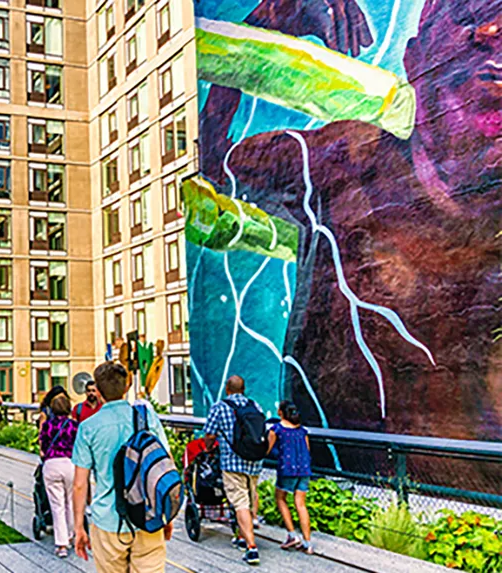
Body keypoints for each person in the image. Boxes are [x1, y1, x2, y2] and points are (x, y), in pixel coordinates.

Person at [200, 0, 502, 440]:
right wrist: (272, 17)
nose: (490, 31)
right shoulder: (341, 164)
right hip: (339, 478)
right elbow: (214, 174)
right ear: (413, 59)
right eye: (469, 13)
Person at [72, 362, 173, 571]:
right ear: (127, 386)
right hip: (148, 516)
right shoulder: (147, 418)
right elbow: (165, 465)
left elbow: (80, 485)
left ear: (98, 392)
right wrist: (166, 512)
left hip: (108, 521)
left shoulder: (88, 428)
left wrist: (79, 527)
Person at [203, 375, 264, 566]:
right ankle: (241, 535)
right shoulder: (255, 406)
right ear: (244, 389)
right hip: (254, 461)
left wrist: (209, 447)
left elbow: (209, 434)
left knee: (239, 502)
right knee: (251, 495)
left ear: (227, 390)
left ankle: (251, 547)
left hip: (232, 463)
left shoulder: (220, 407)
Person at [268, 400, 313, 554]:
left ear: (280, 412)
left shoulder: (277, 429)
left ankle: (292, 535)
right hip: (304, 470)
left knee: (280, 499)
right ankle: (307, 542)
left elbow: (267, 449)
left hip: (287, 469)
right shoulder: (302, 431)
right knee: (301, 504)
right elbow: (307, 450)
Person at [39, 395, 78, 558]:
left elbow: (42, 445)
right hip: (70, 464)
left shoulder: (47, 425)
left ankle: (61, 544)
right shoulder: (75, 426)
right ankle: (72, 535)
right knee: (71, 502)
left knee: (57, 506)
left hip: (52, 464)